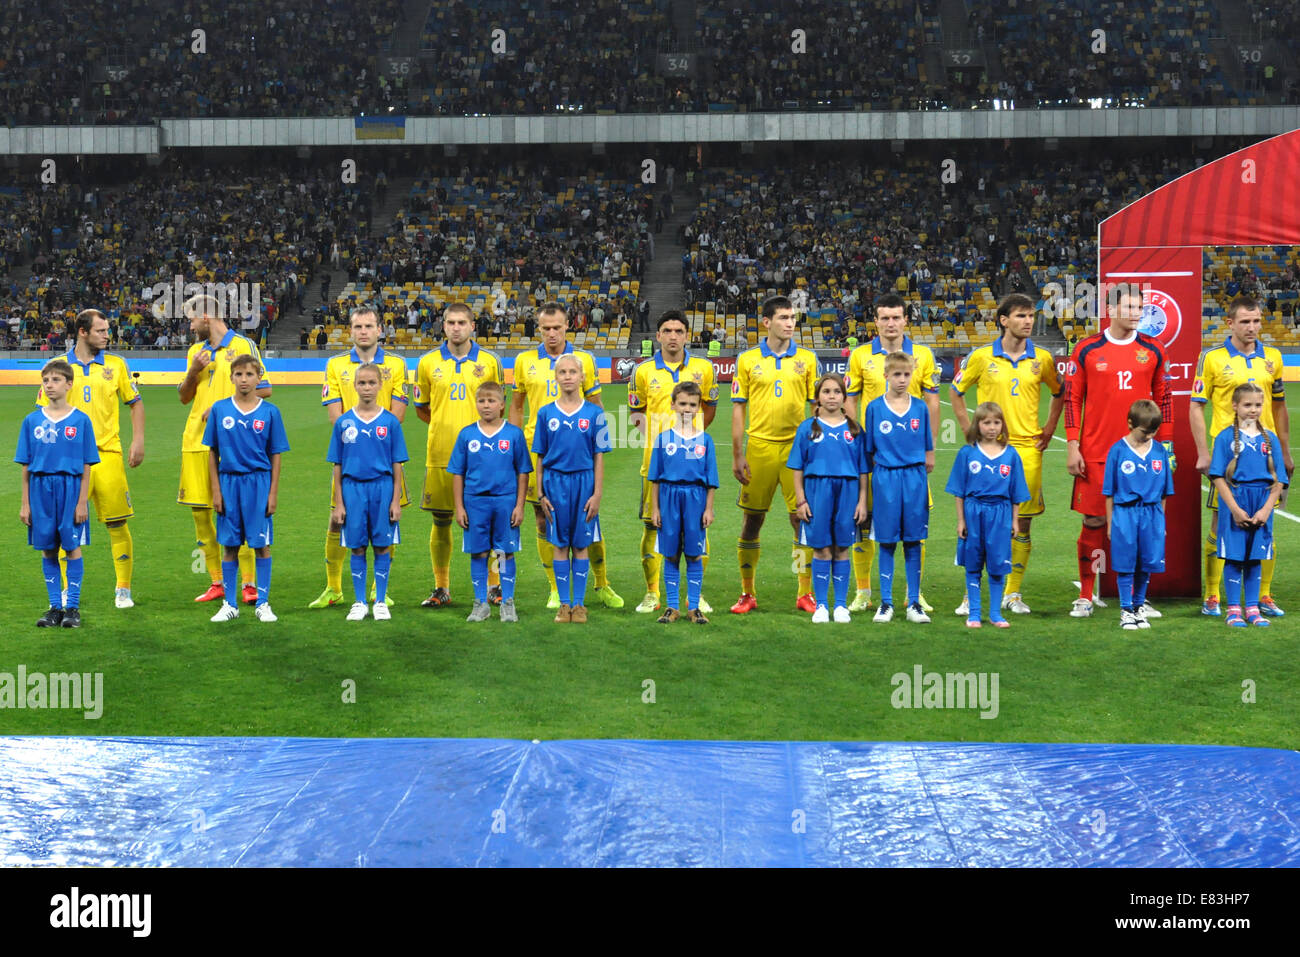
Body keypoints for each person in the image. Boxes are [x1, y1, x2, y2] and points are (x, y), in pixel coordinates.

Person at [950, 293, 1063, 615]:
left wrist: (1050, 427)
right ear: (1003, 320)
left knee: (1020, 525)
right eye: (1021, 316)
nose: (1028, 321)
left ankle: (1012, 593)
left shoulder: (1042, 359)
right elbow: (956, 392)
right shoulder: (982, 357)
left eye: (1031, 316)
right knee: (978, 522)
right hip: (988, 450)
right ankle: (972, 594)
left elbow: (1059, 392)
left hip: (1027, 450)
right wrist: (967, 430)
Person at [1064, 286, 1172, 618]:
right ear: (1111, 309)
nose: (1137, 312)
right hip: (1096, 450)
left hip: (1142, 453)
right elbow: (1072, 400)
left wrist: (1165, 447)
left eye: (1140, 306)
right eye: (1130, 306)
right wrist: (1072, 446)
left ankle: (1139, 598)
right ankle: (1085, 595)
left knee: (1140, 523)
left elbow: (1164, 400)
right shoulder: (1087, 349)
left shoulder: (1153, 349)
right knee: (1095, 520)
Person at [509, 301, 622, 610]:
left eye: (557, 327)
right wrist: (515, 447)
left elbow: (597, 406)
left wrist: (600, 446)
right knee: (542, 517)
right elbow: (517, 406)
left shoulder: (584, 359)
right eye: (545, 328)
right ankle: (556, 589)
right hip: (539, 453)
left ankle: (601, 583)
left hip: (579, 456)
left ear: (567, 325)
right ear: (539, 329)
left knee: (589, 517)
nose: (551, 333)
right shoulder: (524, 361)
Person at [36, 309, 145, 609]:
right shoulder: (57, 367)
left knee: (118, 523)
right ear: (82, 332)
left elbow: (135, 404)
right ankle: (66, 593)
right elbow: (43, 414)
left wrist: (137, 440)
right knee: (66, 527)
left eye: (107, 330)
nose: (106, 335)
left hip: (107, 455)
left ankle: (123, 589)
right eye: (100, 330)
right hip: (68, 460)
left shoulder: (116, 364)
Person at [1190, 295, 1292, 616]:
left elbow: (1278, 405)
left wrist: (1285, 450)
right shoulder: (1211, 357)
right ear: (1230, 323)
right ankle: (1212, 596)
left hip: (1265, 456)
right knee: (1220, 522)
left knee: (1266, 523)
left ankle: (1263, 595)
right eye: (1245, 321)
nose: (1252, 327)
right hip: (1229, 456)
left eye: (1257, 321)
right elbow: (1196, 405)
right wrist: (1204, 452)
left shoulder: (1273, 357)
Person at [844, 293, 940, 613]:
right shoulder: (860, 356)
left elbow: (932, 402)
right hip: (874, 457)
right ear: (876, 321)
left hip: (910, 459)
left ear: (905, 320)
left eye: (896, 317)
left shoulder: (923, 355)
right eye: (884, 317)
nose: (891, 323)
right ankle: (863, 591)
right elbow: (850, 403)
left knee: (916, 522)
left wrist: (930, 447)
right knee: (865, 520)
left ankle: (914, 593)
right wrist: (856, 444)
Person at [311, 306, 410, 609]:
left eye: (369, 326)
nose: (363, 331)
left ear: (380, 329)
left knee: (387, 521)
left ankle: (378, 591)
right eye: (358, 327)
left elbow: (398, 415)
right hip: (351, 456)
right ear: (350, 330)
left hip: (383, 457)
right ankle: (333, 587)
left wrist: (374, 438)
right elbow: (335, 416)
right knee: (336, 519)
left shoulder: (398, 364)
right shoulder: (335, 364)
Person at [178, 294, 270, 605]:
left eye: (192, 318)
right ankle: (217, 581)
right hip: (195, 440)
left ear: (206, 315)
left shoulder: (243, 347)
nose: (190, 326)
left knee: (236, 511)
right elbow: (183, 397)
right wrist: (193, 371)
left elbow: (266, 388)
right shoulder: (195, 351)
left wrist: (221, 407)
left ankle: (247, 584)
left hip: (234, 443)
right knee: (201, 514)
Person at [730, 295, 820, 614]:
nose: (790, 323)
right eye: (783, 318)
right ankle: (747, 592)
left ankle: (804, 592)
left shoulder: (808, 359)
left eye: (792, 318)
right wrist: (738, 454)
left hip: (796, 451)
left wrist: (815, 448)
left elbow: (816, 407)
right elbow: (738, 409)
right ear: (766, 322)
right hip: (760, 449)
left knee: (801, 521)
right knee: (752, 521)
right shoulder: (747, 360)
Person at [414, 302, 503, 609]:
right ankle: (442, 587)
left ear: (472, 326)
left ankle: (495, 586)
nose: (455, 327)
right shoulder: (427, 362)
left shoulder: (491, 362)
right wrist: (447, 427)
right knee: (441, 521)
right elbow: (422, 408)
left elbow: (499, 405)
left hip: (487, 457)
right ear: (443, 326)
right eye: (450, 322)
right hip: (441, 453)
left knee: (492, 522)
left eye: (461, 322)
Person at [629, 310, 718, 614]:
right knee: (653, 527)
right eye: (666, 330)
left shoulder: (704, 368)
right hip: (656, 466)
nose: (672, 336)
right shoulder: (641, 372)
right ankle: (653, 593)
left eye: (679, 331)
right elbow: (636, 413)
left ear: (687, 335)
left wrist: (690, 438)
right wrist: (660, 444)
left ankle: (696, 595)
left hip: (693, 465)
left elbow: (710, 408)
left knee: (698, 529)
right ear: (658, 335)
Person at [201, 354, 290, 624]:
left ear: (259, 378)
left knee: (261, 545)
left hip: (259, 483)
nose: (243, 380)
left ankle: (263, 602)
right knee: (229, 546)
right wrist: (216, 491)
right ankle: (230, 604)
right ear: (231, 378)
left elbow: (276, 455)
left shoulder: (270, 412)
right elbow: (212, 453)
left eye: (249, 375)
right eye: (238, 374)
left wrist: (272, 493)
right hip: (229, 483)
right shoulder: (219, 409)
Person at [16, 359, 99, 629]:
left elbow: (87, 464)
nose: (50, 385)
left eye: (56, 380)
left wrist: (82, 501)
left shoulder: (81, 420)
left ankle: (72, 607)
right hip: (40, 490)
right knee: (48, 549)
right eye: (46, 380)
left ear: (69, 384)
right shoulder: (31, 421)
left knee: (72, 547)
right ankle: (54, 607)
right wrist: (25, 504)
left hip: (70, 488)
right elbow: (26, 466)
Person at [327, 362, 410, 623]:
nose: (366, 387)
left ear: (380, 385)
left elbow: (397, 465)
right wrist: (339, 503)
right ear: (354, 386)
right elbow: (337, 466)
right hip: (352, 489)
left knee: (383, 546)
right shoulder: (343, 422)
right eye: (361, 383)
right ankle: (360, 602)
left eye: (371, 383)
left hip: (382, 488)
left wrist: (396, 500)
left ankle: (381, 601)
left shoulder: (390, 422)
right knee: (357, 546)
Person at [533, 355, 610, 624]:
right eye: (562, 372)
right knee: (559, 544)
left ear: (582, 377)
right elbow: (540, 456)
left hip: (584, 483)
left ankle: (579, 605)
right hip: (555, 485)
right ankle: (563, 604)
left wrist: (597, 493)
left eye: (572, 372)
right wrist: (540, 493)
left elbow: (599, 455)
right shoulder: (545, 413)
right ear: (556, 377)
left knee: (581, 544)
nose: (567, 376)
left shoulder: (595, 414)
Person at [787, 373, 868, 624]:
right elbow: (797, 467)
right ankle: (822, 605)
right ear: (818, 397)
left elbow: (864, 469)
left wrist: (862, 501)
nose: (831, 396)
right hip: (816, 490)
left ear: (844, 397)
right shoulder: (807, 427)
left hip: (847, 490)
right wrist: (800, 500)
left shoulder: (854, 429)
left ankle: (841, 605)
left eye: (836, 392)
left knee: (842, 547)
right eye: (826, 391)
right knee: (821, 548)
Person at [448, 382, 531, 623]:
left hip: (505, 502)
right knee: (479, 553)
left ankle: (507, 602)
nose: (486, 405)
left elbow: (523, 472)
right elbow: (458, 473)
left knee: (503, 553)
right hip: (475, 503)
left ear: (502, 404)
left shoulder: (513, 434)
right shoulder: (467, 434)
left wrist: (519, 505)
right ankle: (480, 603)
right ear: (476, 404)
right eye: (482, 401)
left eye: (492, 400)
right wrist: (459, 507)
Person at [863, 352, 934, 623]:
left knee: (914, 540)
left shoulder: (920, 408)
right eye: (896, 374)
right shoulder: (874, 408)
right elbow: (869, 451)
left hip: (914, 478)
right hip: (885, 478)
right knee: (887, 541)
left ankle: (914, 603)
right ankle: (886, 603)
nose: (902, 380)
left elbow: (927, 449)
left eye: (906, 374)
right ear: (886, 376)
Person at [1209, 383, 1287, 629]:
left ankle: (1252, 608)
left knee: (1254, 559)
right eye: (1247, 405)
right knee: (1233, 558)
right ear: (1235, 406)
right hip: (1236, 501)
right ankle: (1233, 610)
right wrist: (1234, 509)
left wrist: (1266, 510)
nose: (1253, 410)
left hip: (1261, 502)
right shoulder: (1225, 438)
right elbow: (1218, 476)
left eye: (1258, 405)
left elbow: (1280, 480)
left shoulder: (1270, 438)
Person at [946, 402, 1029, 628]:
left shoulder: (1011, 455)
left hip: (1000, 514)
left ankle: (995, 614)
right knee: (973, 565)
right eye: (986, 422)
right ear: (978, 424)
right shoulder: (967, 453)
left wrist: (1014, 520)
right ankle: (974, 613)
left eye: (996, 422)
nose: (992, 427)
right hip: (974, 512)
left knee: (997, 565)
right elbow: (959, 491)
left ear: (1002, 425)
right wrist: (961, 520)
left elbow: (1016, 492)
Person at [648, 381, 718, 624]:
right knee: (670, 554)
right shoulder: (663, 438)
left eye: (692, 404)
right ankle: (672, 607)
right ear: (673, 405)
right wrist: (655, 508)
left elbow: (711, 480)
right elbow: (655, 478)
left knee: (694, 554)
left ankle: (695, 607)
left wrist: (709, 508)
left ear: (699, 407)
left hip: (695, 499)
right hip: (668, 498)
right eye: (683, 403)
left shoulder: (705, 440)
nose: (687, 408)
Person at [1103, 399, 1174, 631]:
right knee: (1126, 564)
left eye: (1154, 431)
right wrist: (1111, 524)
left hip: (1152, 514)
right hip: (1125, 513)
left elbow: (1165, 491)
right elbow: (1109, 492)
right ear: (1130, 424)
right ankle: (1125, 610)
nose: (1149, 435)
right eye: (1144, 431)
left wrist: (1160, 519)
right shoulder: (1118, 450)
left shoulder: (1160, 451)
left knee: (1146, 563)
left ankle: (1138, 607)